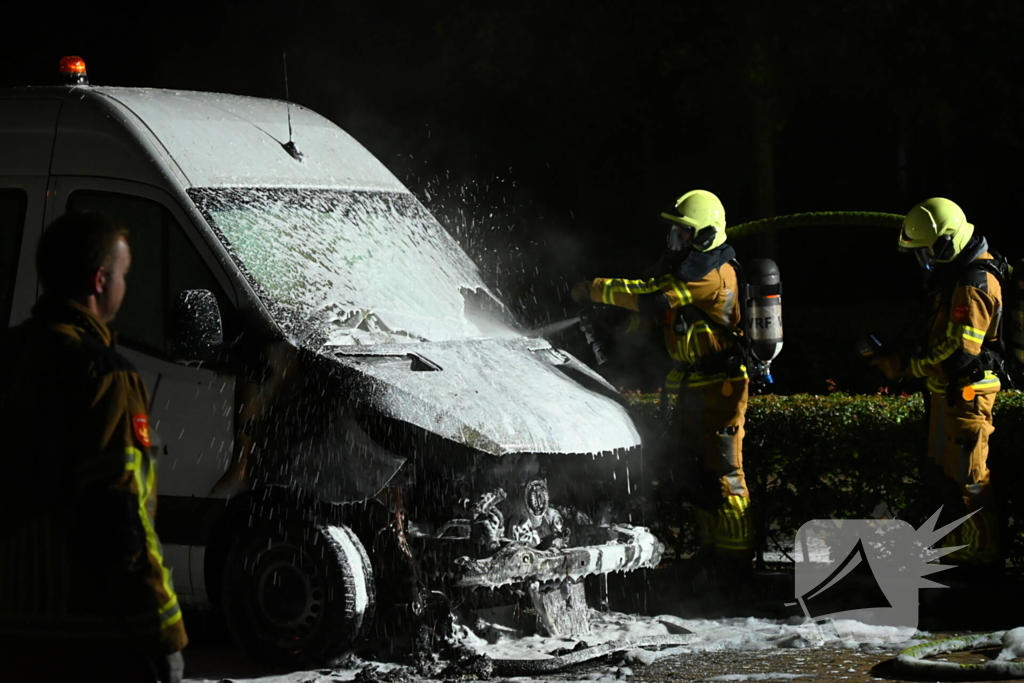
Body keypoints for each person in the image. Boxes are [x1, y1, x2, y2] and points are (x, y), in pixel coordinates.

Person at [0, 212, 186, 682]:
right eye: (122, 275)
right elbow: (117, 514)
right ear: (99, 280)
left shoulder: (10, 354)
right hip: (85, 637)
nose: (124, 286)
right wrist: (163, 632)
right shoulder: (105, 376)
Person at [572, 189, 753, 576]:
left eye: (683, 234)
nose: (675, 242)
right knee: (695, 471)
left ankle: (736, 565)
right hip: (693, 384)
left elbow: (652, 298)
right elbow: (655, 314)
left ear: (704, 235)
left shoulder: (712, 275)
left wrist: (595, 289)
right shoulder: (692, 269)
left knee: (725, 475)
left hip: (721, 386)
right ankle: (711, 554)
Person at [872, 197, 1003, 571]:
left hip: (968, 392)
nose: (926, 261)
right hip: (949, 391)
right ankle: (954, 555)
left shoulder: (975, 282)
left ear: (948, 243)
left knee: (969, 480)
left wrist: (910, 365)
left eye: (930, 251)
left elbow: (959, 349)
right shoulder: (956, 278)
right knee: (946, 478)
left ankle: (980, 562)